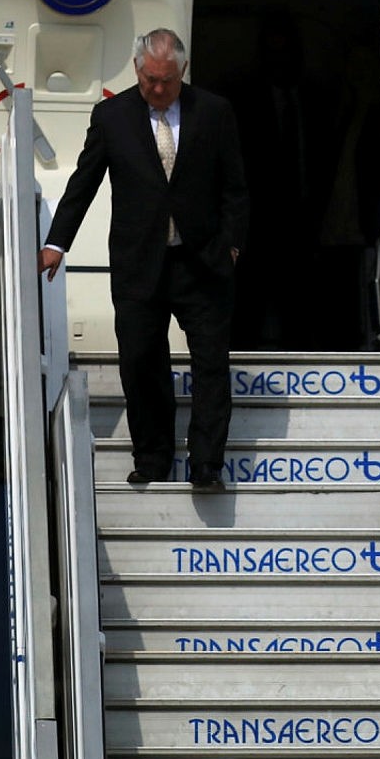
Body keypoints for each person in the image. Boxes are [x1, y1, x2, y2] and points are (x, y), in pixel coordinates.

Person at [40, 28, 249, 492]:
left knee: (210, 363)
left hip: (203, 262)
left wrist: (232, 244)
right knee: (140, 361)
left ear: (183, 71)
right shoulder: (112, 116)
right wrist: (57, 242)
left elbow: (234, 186)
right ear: (137, 70)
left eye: (167, 80)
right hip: (139, 263)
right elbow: (84, 182)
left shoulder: (214, 112)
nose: (157, 88)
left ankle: (206, 465)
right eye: (150, 79)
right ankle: (152, 458)